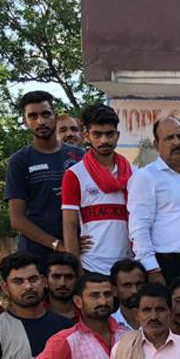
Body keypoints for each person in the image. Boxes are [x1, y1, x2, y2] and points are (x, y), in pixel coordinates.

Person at [6, 91, 86, 258]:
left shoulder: (80, 156)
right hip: (37, 255)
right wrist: (59, 245)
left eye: (45, 114)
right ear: (25, 121)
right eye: (33, 116)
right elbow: (17, 220)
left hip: (80, 251)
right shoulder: (19, 161)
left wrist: (75, 243)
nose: (40, 121)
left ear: (55, 117)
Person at [62, 103, 133, 274]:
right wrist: (77, 270)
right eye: (97, 134)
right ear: (87, 136)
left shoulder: (133, 174)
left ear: (117, 135)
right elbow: (69, 225)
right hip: (91, 266)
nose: (104, 140)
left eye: (109, 134)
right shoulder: (74, 174)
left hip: (128, 267)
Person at [129, 116, 180, 284]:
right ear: (156, 144)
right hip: (165, 265)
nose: (177, 143)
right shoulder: (146, 177)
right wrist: (151, 268)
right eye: (169, 138)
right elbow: (139, 227)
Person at [110, 259, 148, 330]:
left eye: (139, 284)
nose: (135, 291)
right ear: (114, 290)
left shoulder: (161, 321)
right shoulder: (108, 324)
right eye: (127, 285)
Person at [44, 252, 80, 322]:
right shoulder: (36, 312)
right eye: (56, 277)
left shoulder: (88, 312)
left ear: (77, 280)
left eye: (69, 277)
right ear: (45, 281)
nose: (62, 283)